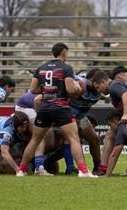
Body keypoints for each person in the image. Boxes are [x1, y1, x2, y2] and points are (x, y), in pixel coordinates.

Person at [16, 43, 97, 178]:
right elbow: (71, 90)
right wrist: (78, 89)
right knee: (73, 138)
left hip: (44, 107)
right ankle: (83, 171)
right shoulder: (66, 68)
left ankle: (21, 170)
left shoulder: (41, 68)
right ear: (64, 53)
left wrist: (48, 91)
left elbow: (33, 90)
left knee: (35, 140)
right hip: (60, 107)